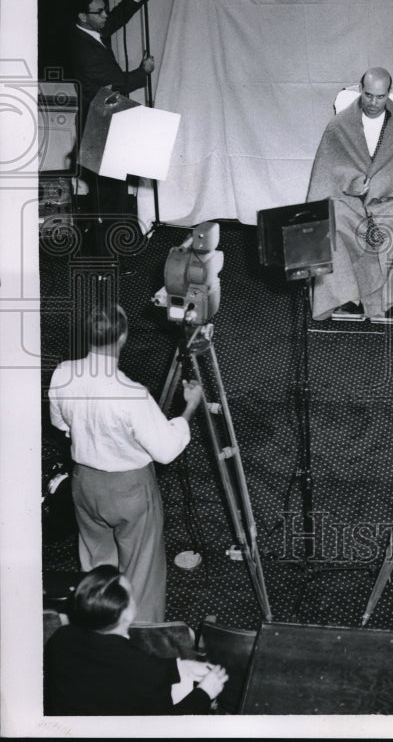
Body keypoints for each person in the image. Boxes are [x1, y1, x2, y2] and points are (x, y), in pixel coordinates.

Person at [48, 303, 202, 621]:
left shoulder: (62, 374)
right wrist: (188, 410)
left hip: (85, 484)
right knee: (141, 575)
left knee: (96, 569)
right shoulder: (132, 394)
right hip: (130, 489)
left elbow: (61, 425)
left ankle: (97, 629)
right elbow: (167, 450)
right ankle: (139, 643)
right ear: (122, 338)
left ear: (86, 337)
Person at [306, 67, 393, 321]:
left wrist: (387, 187)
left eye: (380, 97)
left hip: (389, 202)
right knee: (331, 215)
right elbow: (328, 171)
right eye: (368, 95)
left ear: (388, 94)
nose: (373, 102)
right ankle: (347, 298)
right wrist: (351, 183)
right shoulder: (339, 126)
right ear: (361, 90)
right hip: (350, 201)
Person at [44, 565, 228, 715]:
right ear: (126, 615)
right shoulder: (143, 672)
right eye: (131, 595)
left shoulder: (61, 638)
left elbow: (110, 672)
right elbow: (167, 725)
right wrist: (205, 693)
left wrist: (180, 667)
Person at [71, 0, 155, 259]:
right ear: (83, 15)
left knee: (114, 191)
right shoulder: (84, 49)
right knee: (106, 196)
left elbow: (116, 19)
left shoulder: (91, 32)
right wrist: (142, 73)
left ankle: (110, 251)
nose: (105, 14)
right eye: (99, 11)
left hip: (106, 119)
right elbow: (118, 79)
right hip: (97, 126)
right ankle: (102, 257)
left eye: (104, 8)